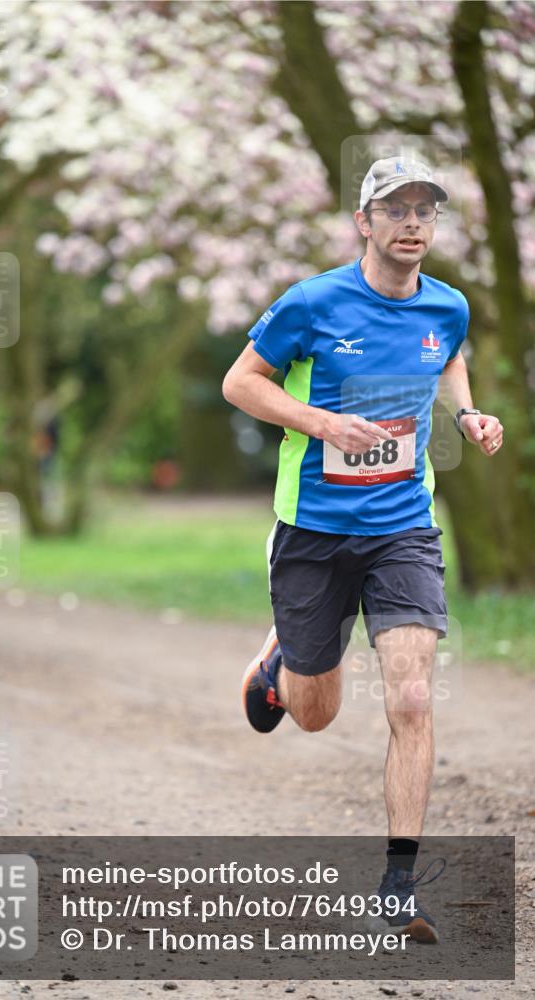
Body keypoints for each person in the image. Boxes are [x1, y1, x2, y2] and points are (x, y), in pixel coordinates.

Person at [222, 156, 503, 943]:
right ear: (363, 222)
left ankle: (398, 885)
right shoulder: (312, 303)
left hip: (401, 527)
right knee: (315, 714)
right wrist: (321, 423)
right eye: (395, 208)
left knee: (411, 697)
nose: (411, 222)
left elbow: (446, 352)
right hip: (312, 530)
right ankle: (283, 658)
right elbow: (239, 383)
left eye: (424, 210)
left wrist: (466, 413)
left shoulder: (446, 306)